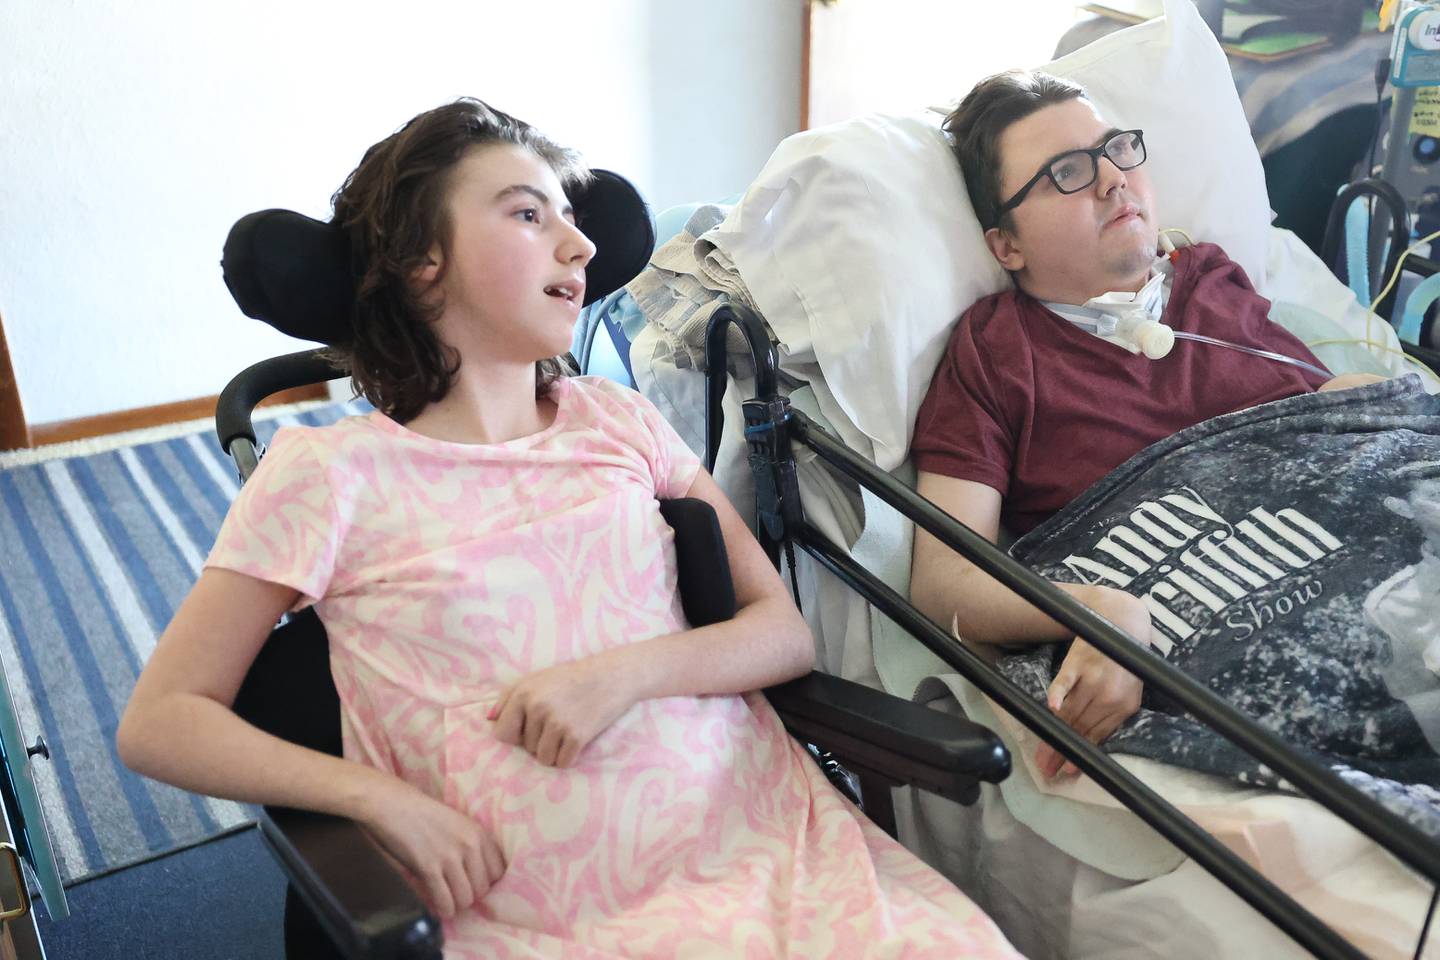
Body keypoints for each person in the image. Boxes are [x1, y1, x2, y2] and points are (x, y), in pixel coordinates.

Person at [116, 98, 1020, 958]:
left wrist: (619, 676)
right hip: (531, 913)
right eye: (526, 214)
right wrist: (372, 798)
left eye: (569, 217)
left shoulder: (617, 421)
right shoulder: (329, 475)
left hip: (765, 853)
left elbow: (778, 631)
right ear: (423, 260)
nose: (580, 242)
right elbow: (162, 721)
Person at [908, 71, 1384, 779]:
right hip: (1255, 618)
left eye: (1117, 150)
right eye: (1066, 173)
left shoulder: (1212, 283)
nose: (1112, 182)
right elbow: (943, 579)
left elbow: (1334, 427)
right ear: (1007, 246)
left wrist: (1374, 406)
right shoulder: (997, 356)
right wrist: (1101, 612)